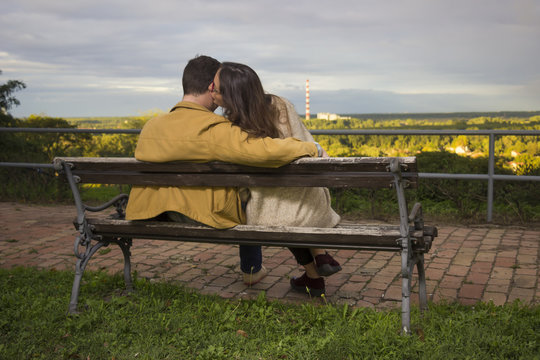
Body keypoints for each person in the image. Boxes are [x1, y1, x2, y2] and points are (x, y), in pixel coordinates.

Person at [125, 55, 323, 286]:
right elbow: (263, 152)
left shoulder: (151, 127)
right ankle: (254, 269)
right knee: (253, 196)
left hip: (154, 210)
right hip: (201, 214)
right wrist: (311, 147)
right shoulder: (216, 129)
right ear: (212, 88)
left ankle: (277, 268)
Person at [210, 62, 342, 296]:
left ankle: (314, 274)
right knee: (293, 207)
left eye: (216, 88)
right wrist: (316, 149)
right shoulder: (280, 104)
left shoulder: (234, 126)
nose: (210, 89)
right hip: (308, 198)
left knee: (282, 211)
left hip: (270, 207)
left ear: (232, 97)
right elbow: (303, 140)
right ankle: (319, 259)